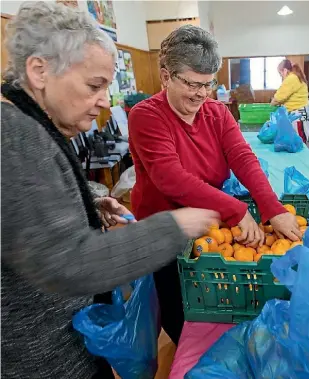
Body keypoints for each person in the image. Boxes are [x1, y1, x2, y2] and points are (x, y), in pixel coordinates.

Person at [1, 3, 219, 379]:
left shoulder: (31, 123)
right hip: (40, 356)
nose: (105, 101)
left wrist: (86, 199)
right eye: (93, 85)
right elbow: (70, 264)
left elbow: (36, 197)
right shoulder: (15, 138)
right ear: (39, 71)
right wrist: (175, 227)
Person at [128, 25, 301, 345]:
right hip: (164, 227)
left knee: (216, 299)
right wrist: (236, 210)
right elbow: (170, 178)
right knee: (178, 310)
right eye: (192, 84)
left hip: (209, 222)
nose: (200, 94)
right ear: (166, 77)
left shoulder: (217, 113)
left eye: (208, 84)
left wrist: (272, 208)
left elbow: (243, 158)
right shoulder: (146, 116)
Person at [271, 59, 309, 142]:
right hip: (303, 112)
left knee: (299, 141)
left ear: (285, 70)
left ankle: (301, 155)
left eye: (280, 73)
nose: (281, 76)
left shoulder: (291, 79)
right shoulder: (296, 77)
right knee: (299, 139)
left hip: (299, 115)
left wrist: (273, 102)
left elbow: (277, 98)